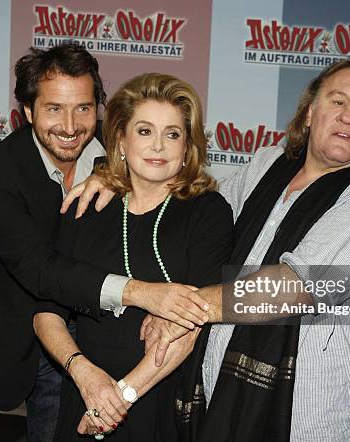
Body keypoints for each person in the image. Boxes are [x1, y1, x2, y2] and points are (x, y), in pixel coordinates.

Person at [65, 56, 350, 441]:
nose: (348, 116)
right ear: (309, 113)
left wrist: (184, 309)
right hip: (226, 411)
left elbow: (294, 288)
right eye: (337, 101)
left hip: (323, 424)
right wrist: (116, 177)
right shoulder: (269, 165)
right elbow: (191, 208)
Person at [0, 44, 210, 441]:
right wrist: (144, 294)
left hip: (67, 342)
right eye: (53, 109)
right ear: (27, 112)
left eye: (83, 108)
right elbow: (41, 270)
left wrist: (108, 173)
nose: (70, 125)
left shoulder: (114, 160)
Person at [34, 73, 234, 440]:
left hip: (158, 402)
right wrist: (83, 374)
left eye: (172, 134)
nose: (158, 145)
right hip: (85, 393)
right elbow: (47, 312)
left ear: (187, 146)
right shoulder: (88, 208)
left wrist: (119, 397)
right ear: (121, 140)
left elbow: (191, 325)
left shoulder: (208, 212)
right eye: (144, 131)